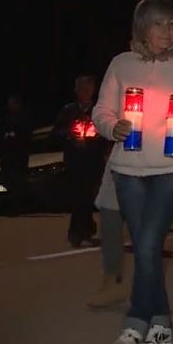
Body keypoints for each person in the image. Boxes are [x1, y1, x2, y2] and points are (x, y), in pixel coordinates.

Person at [93, 0, 173, 344]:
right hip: (127, 169)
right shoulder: (121, 64)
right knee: (146, 248)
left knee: (147, 244)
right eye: (158, 23)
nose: (166, 30)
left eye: (172, 23)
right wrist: (112, 126)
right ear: (142, 27)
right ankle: (160, 323)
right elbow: (102, 108)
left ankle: (134, 323)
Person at [53, 74, 108, 246]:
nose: (85, 92)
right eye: (81, 88)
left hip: (93, 161)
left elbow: (107, 134)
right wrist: (71, 136)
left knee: (88, 197)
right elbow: (56, 133)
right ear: (76, 90)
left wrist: (97, 138)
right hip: (74, 161)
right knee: (78, 197)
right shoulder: (69, 111)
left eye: (88, 89)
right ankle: (78, 232)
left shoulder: (99, 111)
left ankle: (84, 230)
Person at [86, 155, 130, 309]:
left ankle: (144, 288)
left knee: (145, 240)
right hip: (117, 171)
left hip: (146, 173)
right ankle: (111, 283)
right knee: (110, 235)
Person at [0, 94, 33, 216]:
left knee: (18, 182)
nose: (10, 105)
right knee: (9, 181)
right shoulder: (8, 118)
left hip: (18, 157)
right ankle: (12, 206)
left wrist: (14, 136)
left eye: (12, 103)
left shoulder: (23, 118)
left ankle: (19, 207)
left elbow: (25, 136)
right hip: (9, 157)